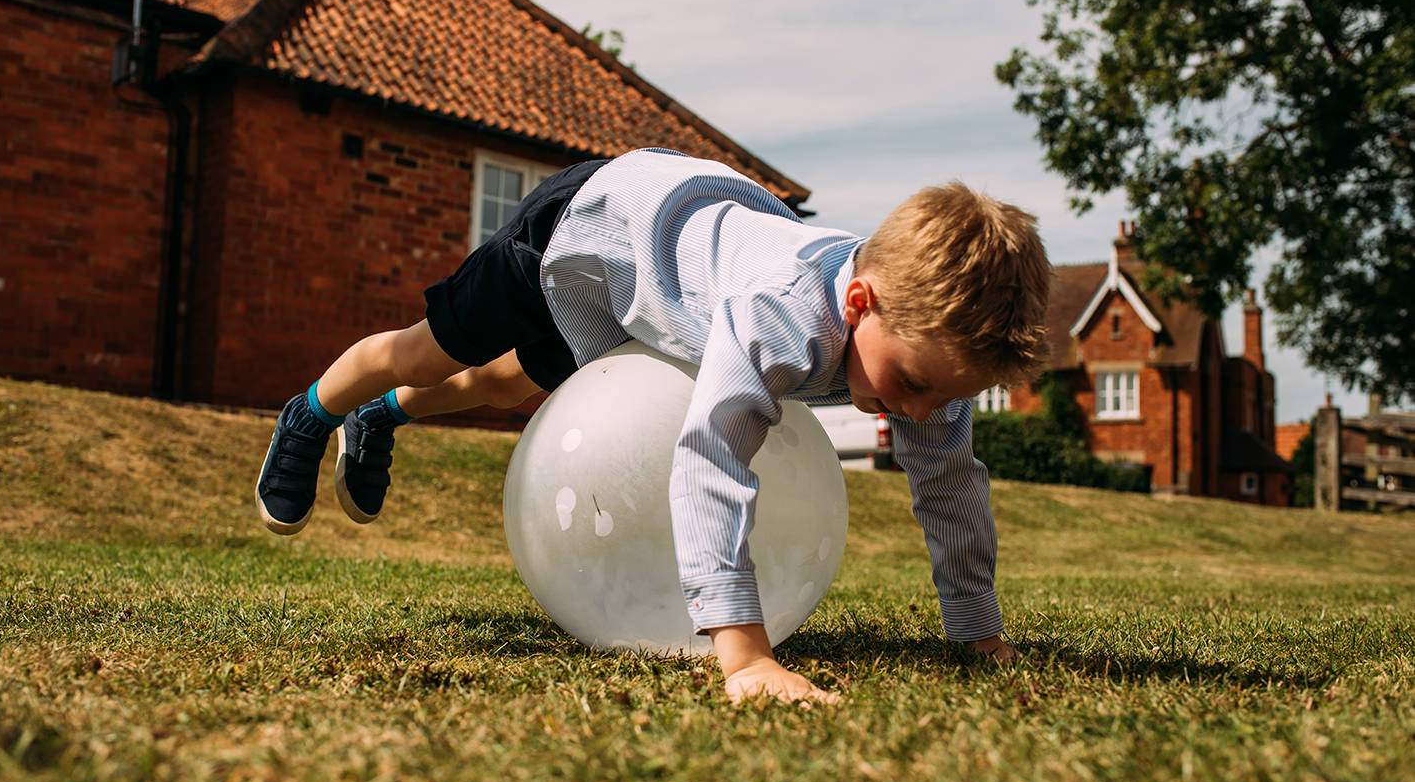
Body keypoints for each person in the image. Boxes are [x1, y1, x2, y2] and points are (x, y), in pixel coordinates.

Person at [254, 148, 1051, 705]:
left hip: (650, 279)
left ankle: (378, 417)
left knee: (514, 381)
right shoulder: (782, 317)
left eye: (946, 396)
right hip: (585, 224)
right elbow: (711, 455)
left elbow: (950, 486)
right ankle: (312, 413)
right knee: (430, 354)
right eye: (912, 384)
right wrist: (742, 652)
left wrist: (977, 632)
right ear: (858, 302)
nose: (920, 412)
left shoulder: (929, 353)